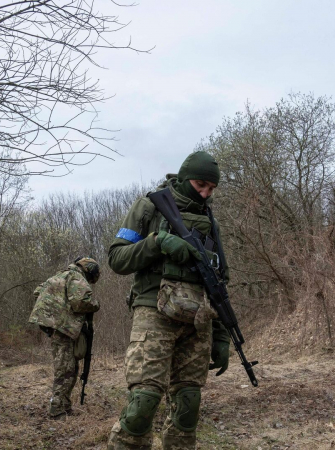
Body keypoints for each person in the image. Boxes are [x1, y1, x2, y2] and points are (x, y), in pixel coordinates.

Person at [106, 151, 232, 450]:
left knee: (188, 404)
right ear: (184, 177)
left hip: (197, 319)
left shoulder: (209, 221)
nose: (205, 193)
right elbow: (117, 258)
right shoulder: (149, 206)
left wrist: (222, 336)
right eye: (200, 184)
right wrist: (157, 242)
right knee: (143, 403)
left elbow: (220, 283)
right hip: (153, 312)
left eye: (211, 189)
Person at [28, 257, 101, 418]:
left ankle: (65, 406)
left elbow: (38, 292)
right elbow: (81, 302)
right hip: (64, 329)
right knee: (66, 370)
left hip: (58, 327)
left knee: (69, 368)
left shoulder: (60, 275)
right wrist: (96, 304)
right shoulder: (76, 277)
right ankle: (57, 410)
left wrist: (54, 313)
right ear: (89, 269)